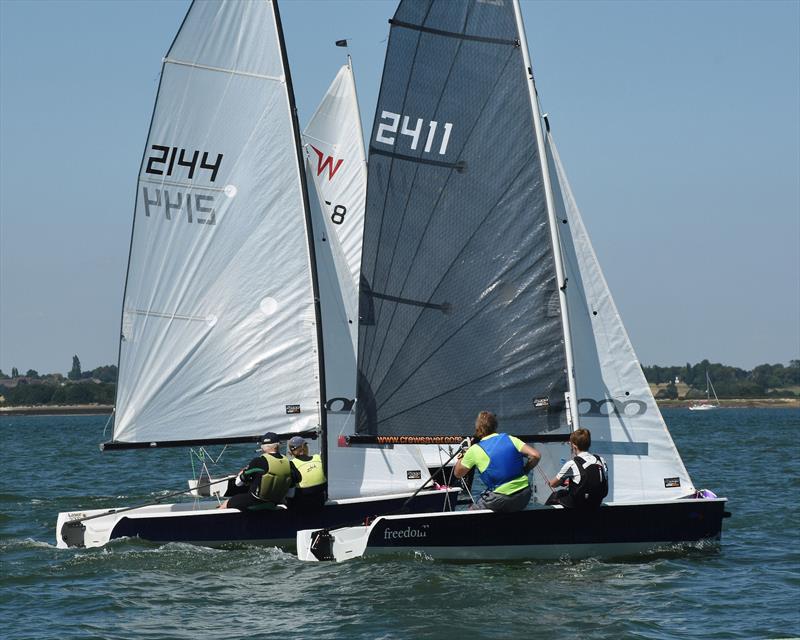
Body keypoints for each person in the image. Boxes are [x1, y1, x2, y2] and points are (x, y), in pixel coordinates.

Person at [453, 410, 541, 513]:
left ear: (478, 428)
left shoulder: (475, 449)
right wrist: (525, 470)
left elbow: (458, 474)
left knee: (470, 512)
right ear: (495, 426)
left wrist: (463, 451)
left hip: (501, 498)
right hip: (524, 494)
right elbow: (536, 455)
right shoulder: (510, 438)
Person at [219, 432, 300, 511]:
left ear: (262, 447)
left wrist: (243, 473)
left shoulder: (258, 461)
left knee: (226, 503)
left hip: (255, 501)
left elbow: (238, 483)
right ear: (278, 445)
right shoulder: (289, 463)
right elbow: (291, 492)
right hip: (276, 501)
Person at [546, 428, 608, 508]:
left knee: (557, 495)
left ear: (574, 446)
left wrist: (552, 482)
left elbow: (553, 484)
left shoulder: (572, 464)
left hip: (579, 504)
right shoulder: (601, 460)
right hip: (596, 503)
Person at [287, 435, 327, 509]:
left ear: (291, 452)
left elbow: (290, 492)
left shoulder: (291, 464)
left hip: (301, 505)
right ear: (303, 447)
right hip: (320, 502)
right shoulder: (318, 458)